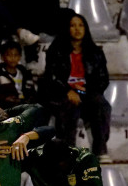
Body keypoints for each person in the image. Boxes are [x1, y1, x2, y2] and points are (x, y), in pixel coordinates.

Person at [41, 13, 112, 163]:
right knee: (70, 106)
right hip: (62, 92)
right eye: (73, 25)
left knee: (101, 104)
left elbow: (103, 79)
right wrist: (67, 91)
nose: (77, 29)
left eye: (81, 25)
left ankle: (100, 150)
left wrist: (85, 89)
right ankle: (67, 151)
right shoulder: (56, 50)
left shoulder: (96, 53)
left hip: (85, 91)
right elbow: (50, 78)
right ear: (67, 29)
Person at [0, 41, 36, 109]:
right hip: (6, 107)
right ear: (2, 57)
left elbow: (31, 93)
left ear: (20, 57)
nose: (12, 58)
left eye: (16, 55)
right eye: (9, 55)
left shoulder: (25, 73)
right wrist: (4, 98)